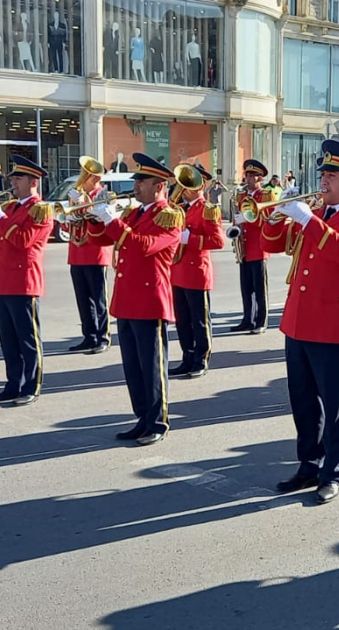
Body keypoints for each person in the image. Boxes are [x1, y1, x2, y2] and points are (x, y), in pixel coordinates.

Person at [261, 140, 339, 504]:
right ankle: (308, 464)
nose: (324, 181)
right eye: (323, 174)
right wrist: (273, 217)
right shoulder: (316, 214)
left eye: (332, 175)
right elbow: (271, 245)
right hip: (299, 320)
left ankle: (333, 471)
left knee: (335, 404)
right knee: (302, 401)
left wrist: (307, 219)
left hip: (334, 324)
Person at [87, 153, 183, 446]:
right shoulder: (134, 214)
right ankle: (142, 418)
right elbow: (102, 240)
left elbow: (143, 246)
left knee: (152, 367)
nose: (136, 186)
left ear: (159, 186)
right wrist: (93, 219)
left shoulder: (170, 217)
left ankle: (157, 422)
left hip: (149, 300)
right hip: (127, 299)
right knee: (132, 367)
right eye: (137, 180)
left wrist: (112, 221)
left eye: (142, 181)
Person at [0, 155, 53, 406]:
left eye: (18, 179)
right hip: (1, 281)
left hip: (23, 282)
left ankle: (31, 386)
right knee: (8, 340)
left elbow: (23, 240)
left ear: (33, 182)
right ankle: (13, 384)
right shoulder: (10, 208)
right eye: (12, 179)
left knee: (27, 340)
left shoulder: (41, 210)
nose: (13, 183)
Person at [169, 164, 224, 379]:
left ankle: (201, 359)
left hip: (196, 272)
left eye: (190, 184)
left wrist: (189, 239)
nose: (185, 188)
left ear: (201, 185)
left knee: (199, 320)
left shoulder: (208, 209)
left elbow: (218, 241)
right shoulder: (180, 208)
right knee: (182, 320)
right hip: (178, 271)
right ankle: (187, 357)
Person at [66, 162, 112, 354]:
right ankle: (89, 336)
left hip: (95, 253)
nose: (82, 178)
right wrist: (69, 216)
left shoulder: (104, 195)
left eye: (87, 175)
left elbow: (98, 220)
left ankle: (103, 337)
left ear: (96, 178)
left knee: (99, 300)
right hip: (77, 253)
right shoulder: (77, 195)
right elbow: (70, 223)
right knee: (83, 300)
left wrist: (80, 206)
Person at [230, 159, 272, 334]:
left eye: (252, 176)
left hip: (258, 247)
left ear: (259, 178)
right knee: (246, 287)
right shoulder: (241, 196)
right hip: (245, 248)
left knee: (259, 288)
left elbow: (267, 220)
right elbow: (238, 218)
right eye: (247, 175)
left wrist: (247, 219)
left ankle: (261, 321)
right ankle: (248, 319)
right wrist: (236, 227)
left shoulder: (266, 196)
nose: (247, 178)